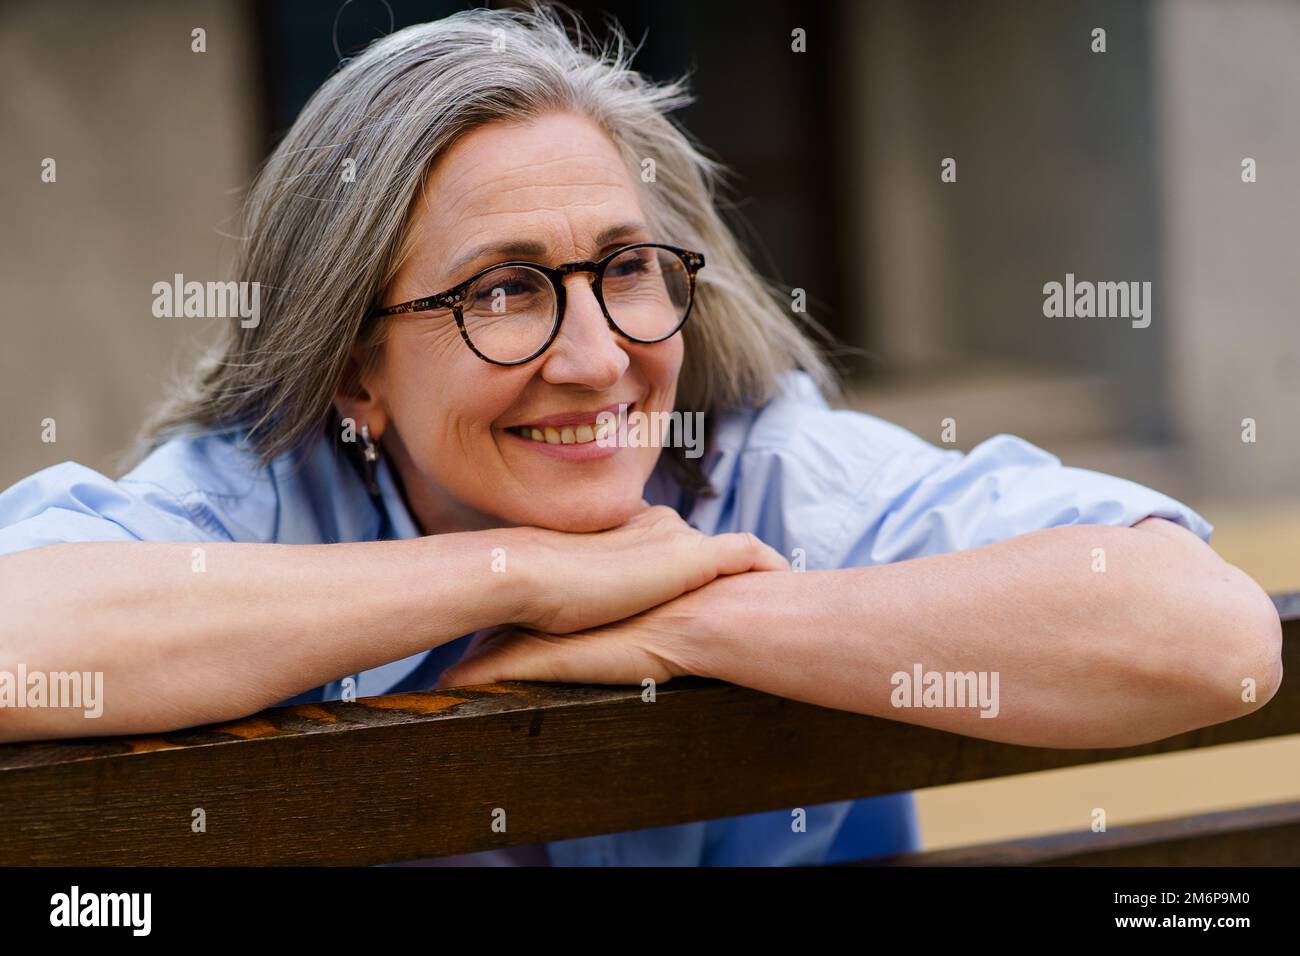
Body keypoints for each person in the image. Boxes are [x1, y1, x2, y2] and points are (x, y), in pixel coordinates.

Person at [0, 7, 1281, 866]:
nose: (599, 355)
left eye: (626, 266)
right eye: (501, 289)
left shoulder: (758, 462)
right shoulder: (253, 500)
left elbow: (1206, 639)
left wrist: (693, 622)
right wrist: (523, 572)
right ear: (353, 366)